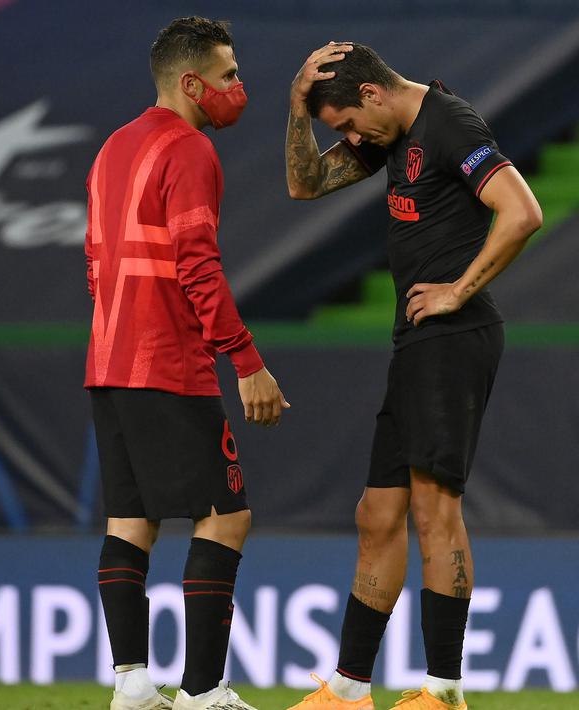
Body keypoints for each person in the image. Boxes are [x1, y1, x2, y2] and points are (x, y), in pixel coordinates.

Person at [284, 43, 542, 710]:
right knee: (377, 514)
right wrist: (296, 108)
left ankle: (443, 691)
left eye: (343, 124)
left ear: (372, 94)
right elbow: (304, 183)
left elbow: (522, 212)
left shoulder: (449, 124)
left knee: (434, 512)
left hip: (454, 338)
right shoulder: (389, 134)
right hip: (417, 342)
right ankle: (347, 690)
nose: (346, 139)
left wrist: (458, 289)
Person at [84, 16, 289, 710]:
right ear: (191, 82)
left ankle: (132, 684)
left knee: (129, 520)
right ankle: (204, 692)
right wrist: (245, 358)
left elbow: (93, 261)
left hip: (107, 362)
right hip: (167, 363)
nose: (239, 88)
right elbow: (196, 263)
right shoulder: (190, 150)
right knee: (224, 515)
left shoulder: (113, 147)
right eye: (229, 76)